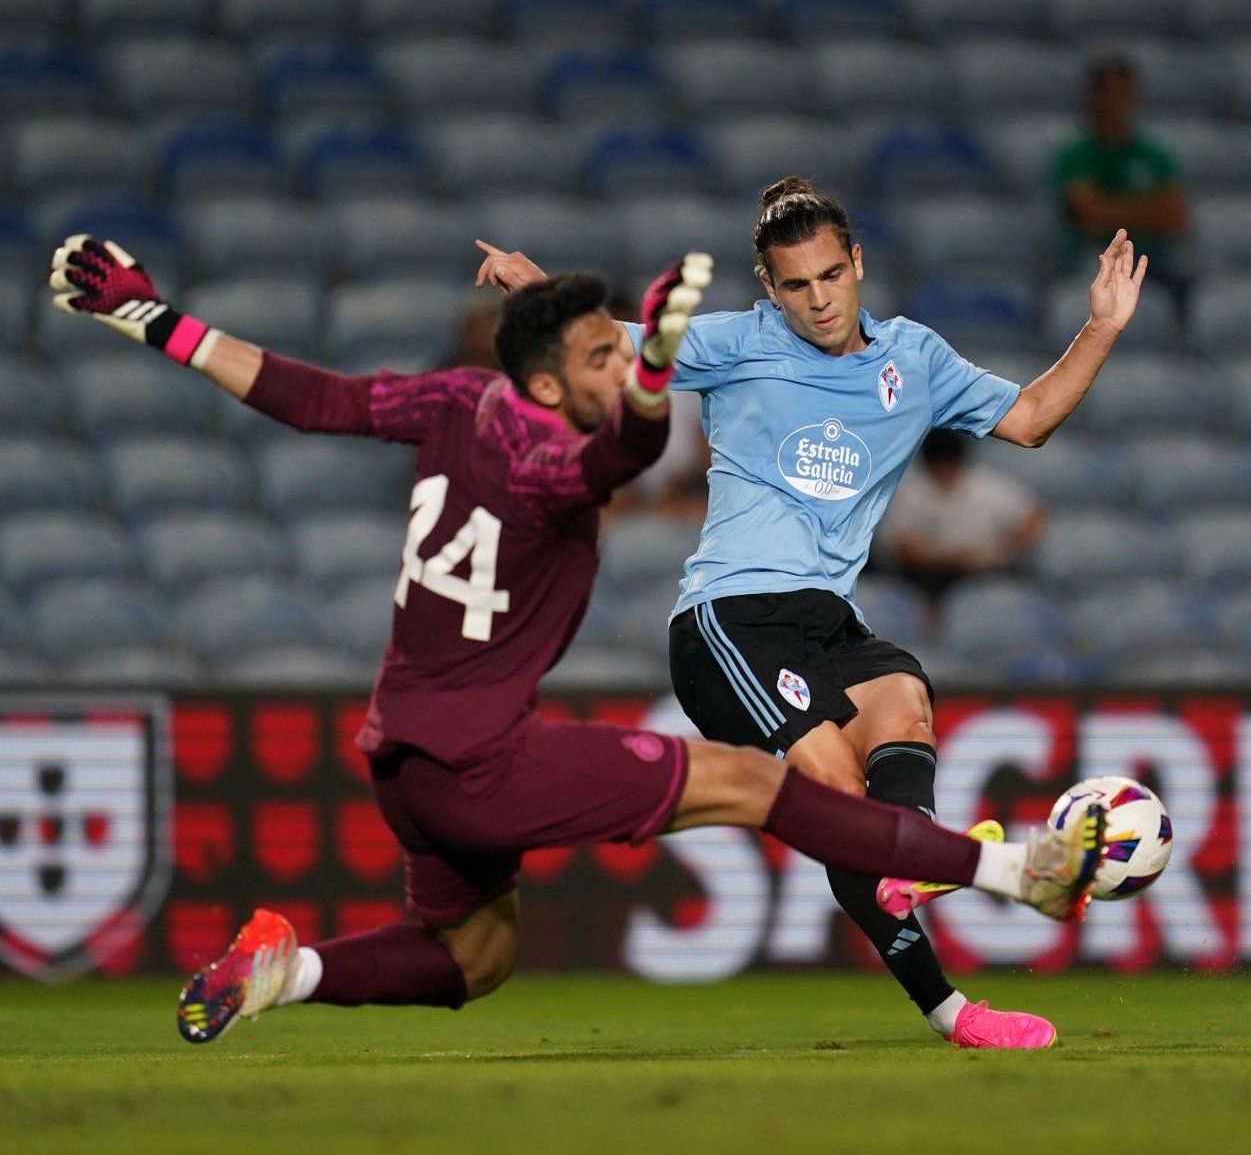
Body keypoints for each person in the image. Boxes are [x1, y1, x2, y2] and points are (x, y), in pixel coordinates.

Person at [46, 233, 1104, 1046]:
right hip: (479, 759)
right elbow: (631, 446)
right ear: (552, 386)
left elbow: (313, 398)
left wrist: (154, 316)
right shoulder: (551, 468)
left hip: (401, 760)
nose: (627, 366)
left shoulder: (453, 401)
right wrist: (647, 383)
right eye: (603, 357)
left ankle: (290, 968)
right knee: (755, 785)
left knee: (477, 954)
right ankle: (1021, 875)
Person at [475, 177, 1145, 1050]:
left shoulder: (916, 361)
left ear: (858, 263)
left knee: (903, 692)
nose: (819, 299)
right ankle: (950, 996)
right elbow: (608, 353)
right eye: (796, 285)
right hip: (729, 622)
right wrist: (541, 296)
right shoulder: (734, 344)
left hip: (827, 618)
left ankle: (920, 868)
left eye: (832, 275)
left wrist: (1100, 328)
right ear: (769, 288)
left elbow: (1032, 418)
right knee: (838, 793)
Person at [1053, 57, 1190, 297]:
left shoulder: (1153, 154)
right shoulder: (1076, 155)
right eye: (1111, 94)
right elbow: (1089, 217)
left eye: (1126, 95)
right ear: (1093, 98)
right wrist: (1149, 211)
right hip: (1096, 259)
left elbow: (1177, 217)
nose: (1118, 104)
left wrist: (1112, 209)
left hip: (1152, 261)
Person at [878, 428, 1046, 606]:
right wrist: (954, 561)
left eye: (950, 466)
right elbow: (904, 547)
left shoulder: (986, 484)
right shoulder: (908, 489)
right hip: (925, 578)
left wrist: (1007, 551)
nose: (946, 473)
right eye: (939, 468)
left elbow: (1033, 515)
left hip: (988, 573)